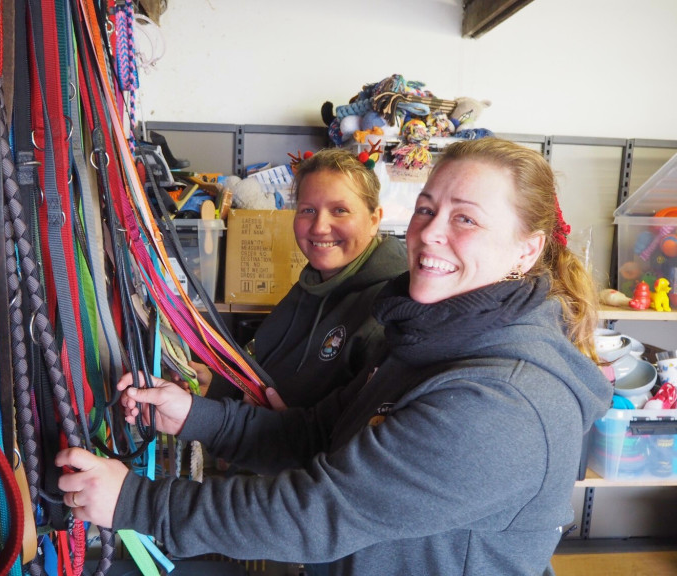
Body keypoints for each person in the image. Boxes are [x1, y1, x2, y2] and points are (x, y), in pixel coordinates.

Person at [56, 138, 612, 576]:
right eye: (425, 209)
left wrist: (137, 502)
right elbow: (322, 435)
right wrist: (195, 416)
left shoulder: (502, 402)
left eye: (464, 218)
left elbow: (318, 511)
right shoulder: (428, 339)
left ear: (527, 248)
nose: (430, 234)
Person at [207, 147, 407, 408]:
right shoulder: (312, 282)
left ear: (374, 220)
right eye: (308, 210)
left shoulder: (388, 314)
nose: (320, 227)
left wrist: (282, 430)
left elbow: (359, 436)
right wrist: (215, 382)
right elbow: (262, 363)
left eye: (340, 210)